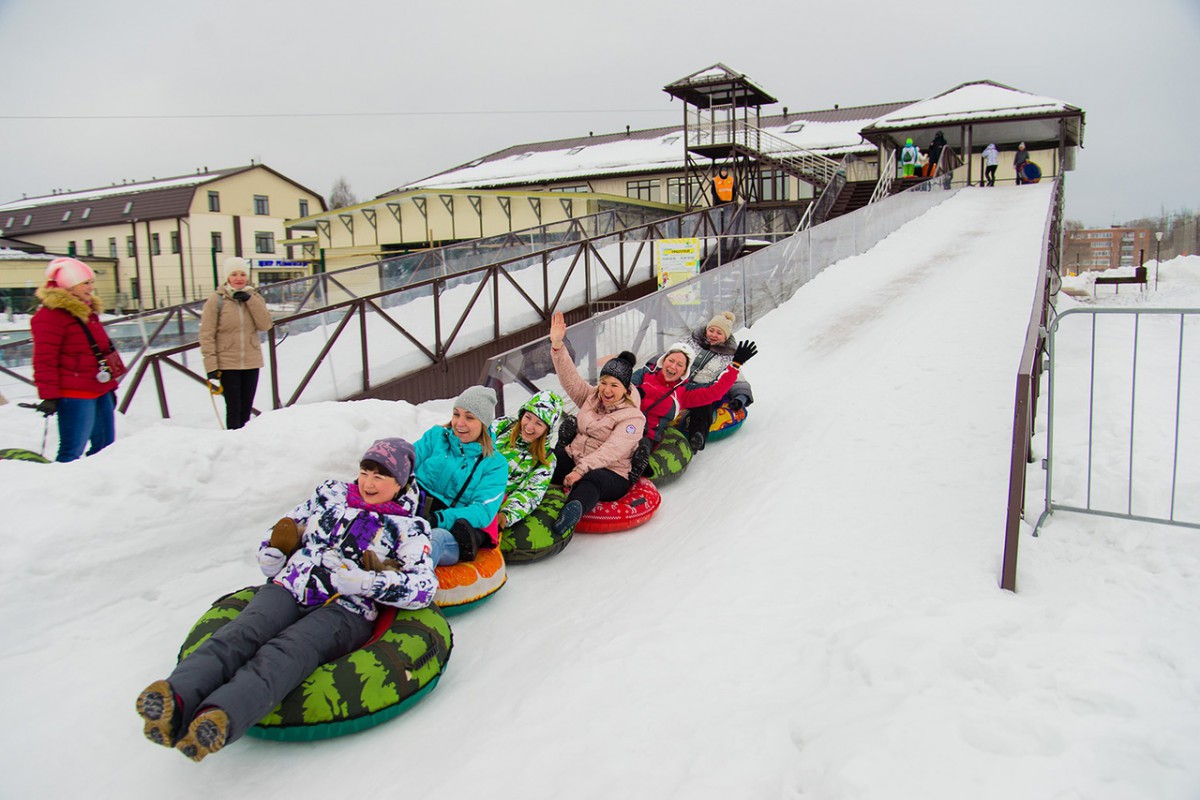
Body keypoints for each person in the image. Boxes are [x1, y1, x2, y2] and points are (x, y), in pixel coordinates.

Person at [135, 438, 436, 762]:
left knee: (289, 648)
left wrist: (367, 581)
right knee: (244, 631)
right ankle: (175, 699)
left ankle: (219, 716)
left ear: (400, 482)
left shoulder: (409, 528)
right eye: (365, 471)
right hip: (293, 584)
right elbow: (289, 525)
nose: (368, 483)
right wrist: (273, 551)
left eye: (381, 476)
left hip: (345, 608)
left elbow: (423, 586)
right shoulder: (330, 495)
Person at [548, 311, 646, 534]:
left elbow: (612, 451)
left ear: (626, 389)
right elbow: (570, 379)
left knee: (592, 479)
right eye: (603, 382)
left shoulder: (632, 418)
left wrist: (580, 470)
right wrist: (557, 346)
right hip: (577, 458)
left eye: (614, 385)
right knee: (549, 458)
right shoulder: (592, 397)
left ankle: (572, 512)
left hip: (610, 472)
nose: (606, 390)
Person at [30, 257, 122, 462]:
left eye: (91, 282)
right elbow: (45, 359)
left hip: (99, 387)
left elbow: (98, 351)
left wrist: (110, 385)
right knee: (72, 449)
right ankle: (63, 488)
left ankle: (99, 486)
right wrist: (50, 395)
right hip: (75, 393)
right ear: (68, 285)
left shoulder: (85, 311)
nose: (91, 287)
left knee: (106, 447)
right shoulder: (51, 316)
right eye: (86, 283)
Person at [414, 385, 509, 566]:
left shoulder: (495, 464)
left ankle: (407, 583)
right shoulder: (435, 437)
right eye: (456, 414)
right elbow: (406, 461)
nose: (459, 423)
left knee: (434, 540)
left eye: (469, 417)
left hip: (447, 524)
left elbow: (483, 510)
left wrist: (440, 519)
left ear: (484, 423)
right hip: (415, 503)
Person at [631, 338, 756, 451]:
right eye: (671, 360)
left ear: (685, 370)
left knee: (705, 406)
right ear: (663, 361)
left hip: (647, 435)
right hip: (624, 420)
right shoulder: (645, 374)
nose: (673, 366)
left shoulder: (684, 392)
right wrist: (636, 393)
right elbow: (624, 386)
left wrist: (735, 365)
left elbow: (714, 391)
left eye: (680, 365)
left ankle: (696, 434)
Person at [199, 257, 274, 430]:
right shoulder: (216, 300)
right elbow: (207, 334)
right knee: (234, 408)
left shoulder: (254, 297)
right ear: (227, 277)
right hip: (227, 362)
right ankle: (233, 442)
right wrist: (211, 365)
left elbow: (265, 325)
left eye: (242, 274)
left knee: (246, 408)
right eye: (234, 274)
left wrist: (250, 300)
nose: (239, 278)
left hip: (251, 361)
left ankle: (245, 443)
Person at [489, 390, 564, 531]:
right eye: (528, 417)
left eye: (538, 423)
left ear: (547, 430)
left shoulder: (547, 459)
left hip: (495, 501)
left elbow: (530, 493)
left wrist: (505, 515)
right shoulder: (502, 426)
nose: (529, 427)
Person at [682, 311, 756, 451]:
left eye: (719, 333)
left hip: (705, 389)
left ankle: (697, 436)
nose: (714, 335)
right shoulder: (690, 342)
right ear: (706, 330)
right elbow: (669, 356)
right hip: (681, 383)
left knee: (704, 404)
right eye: (711, 330)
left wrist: (740, 398)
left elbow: (737, 379)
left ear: (726, 337)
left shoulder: (728, 356)